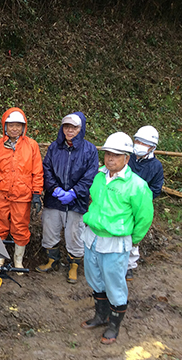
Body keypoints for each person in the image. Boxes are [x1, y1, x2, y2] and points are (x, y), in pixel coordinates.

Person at [80, 132, 153, 345]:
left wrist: (134, 239)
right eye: (108, 154)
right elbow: (93, 201)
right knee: (94, 277)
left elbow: (144, 217)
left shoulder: (136, 185)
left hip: (115, 241)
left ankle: (114, 324)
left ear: (127, 158)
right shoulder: (99, 177)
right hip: (92, 236)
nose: (110, 159)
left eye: (116, 155)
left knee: (114, 283)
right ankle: (100, 316)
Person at [36, 112, 99, 284]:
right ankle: (52, 260)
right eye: (67, 126)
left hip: (77, 200)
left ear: (81, 128)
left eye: (74, 127)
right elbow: (46, 168)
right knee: (49, 230)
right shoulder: (55, 147)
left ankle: (74, 266)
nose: (70, 130)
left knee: (75, 233)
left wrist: (74, 192)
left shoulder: (90, 150)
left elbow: (91, 175)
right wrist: (55, 189)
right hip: (54, 199)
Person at [0, 108, 43, 273]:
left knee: (20, 227)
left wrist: (37, 194)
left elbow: (37, 172)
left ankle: (18, 261)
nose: (14, 128)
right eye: (11, 125)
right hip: (1, 193)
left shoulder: (32, 146)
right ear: (5, 126)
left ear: (24, 127)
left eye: (18, 125)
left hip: (22, 195)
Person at [126, 125, 164, 281]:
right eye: (138, 141)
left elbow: (156, 188)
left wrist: (143, 201)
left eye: (144, 143)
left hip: (140, 206)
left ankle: (129, 267)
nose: (139, 145)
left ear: (152, 147)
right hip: (121, 202)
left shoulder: (156, 166)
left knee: (134, 236)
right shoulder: (127, 157)